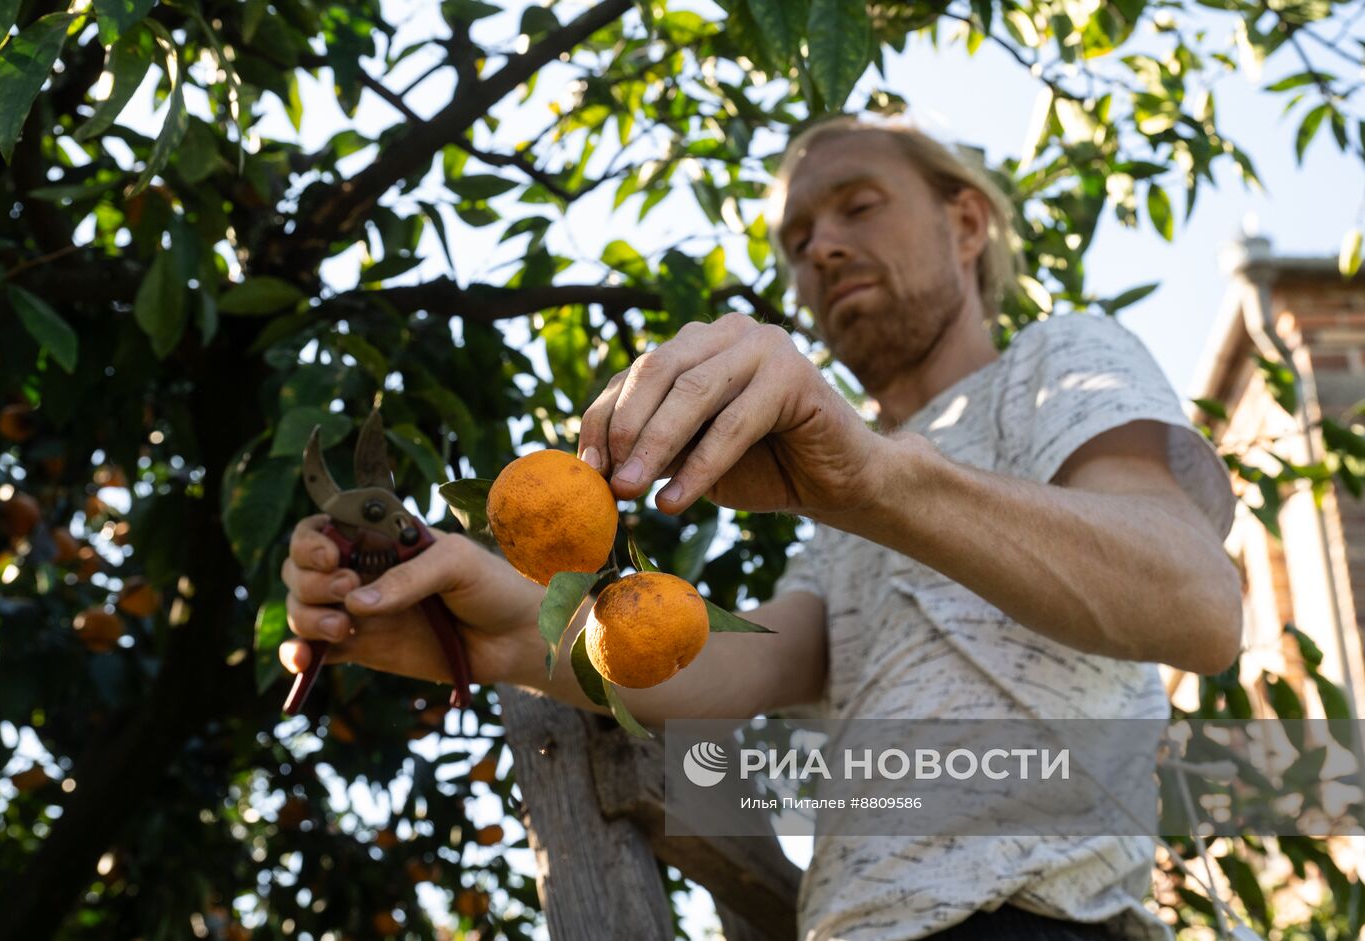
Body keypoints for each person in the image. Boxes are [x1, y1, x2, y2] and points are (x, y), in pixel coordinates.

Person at [279, 114, 1242, 940]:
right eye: (797, 237)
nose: (820, 247)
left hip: (1035, 917)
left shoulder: (1059, 358)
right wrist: (493, 622)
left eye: (859, 205)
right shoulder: (846, 508)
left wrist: (876, 481)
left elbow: (1199, 604)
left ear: (966, 221)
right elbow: (726, 664)